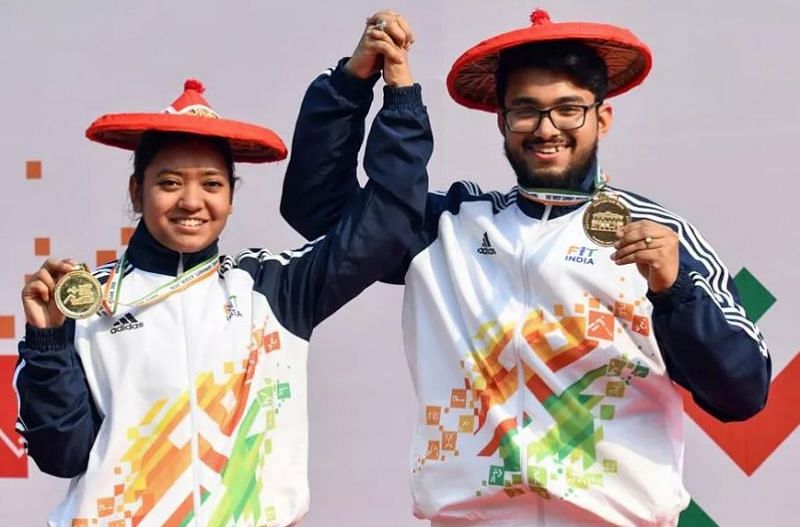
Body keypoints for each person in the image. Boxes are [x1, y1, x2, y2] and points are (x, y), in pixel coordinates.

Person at [280, 9, 771, 527]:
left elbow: (741, 393)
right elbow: (319, 208)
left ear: (601, 118)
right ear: (502, 121)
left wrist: (676, 292)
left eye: (568, 110)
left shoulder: (657, 236)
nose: (546, 128)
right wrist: (352, 84)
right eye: (526, 110)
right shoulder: (446, 229)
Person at [15, 53, 430, 527]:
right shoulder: (88, 303)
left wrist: (392, 98)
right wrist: (48, 342)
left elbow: (384, 225)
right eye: (169, 183)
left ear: (231, 196)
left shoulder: (273, 288)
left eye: (211, 184)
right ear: (137, 191)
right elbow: (63, 456)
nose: (191, 202)